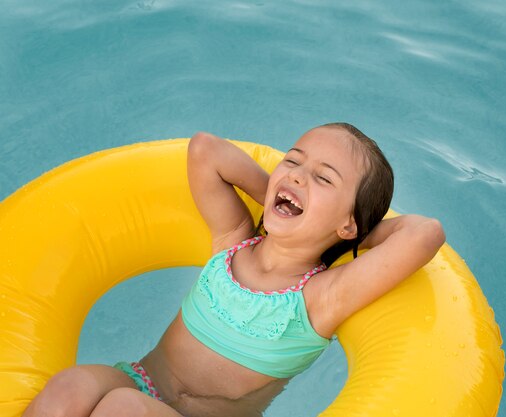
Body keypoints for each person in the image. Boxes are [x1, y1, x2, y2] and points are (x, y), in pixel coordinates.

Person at [23, 122, 445, 417]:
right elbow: (206, 149)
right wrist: (288, 200)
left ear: (349, 222)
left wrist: (349, 236)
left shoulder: (322, 296)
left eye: (324, 179)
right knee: (67, 389)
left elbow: (425, 233)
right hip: (141, 381)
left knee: (122, 411)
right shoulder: (233, 240)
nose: (297, 177)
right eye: (293, 161)